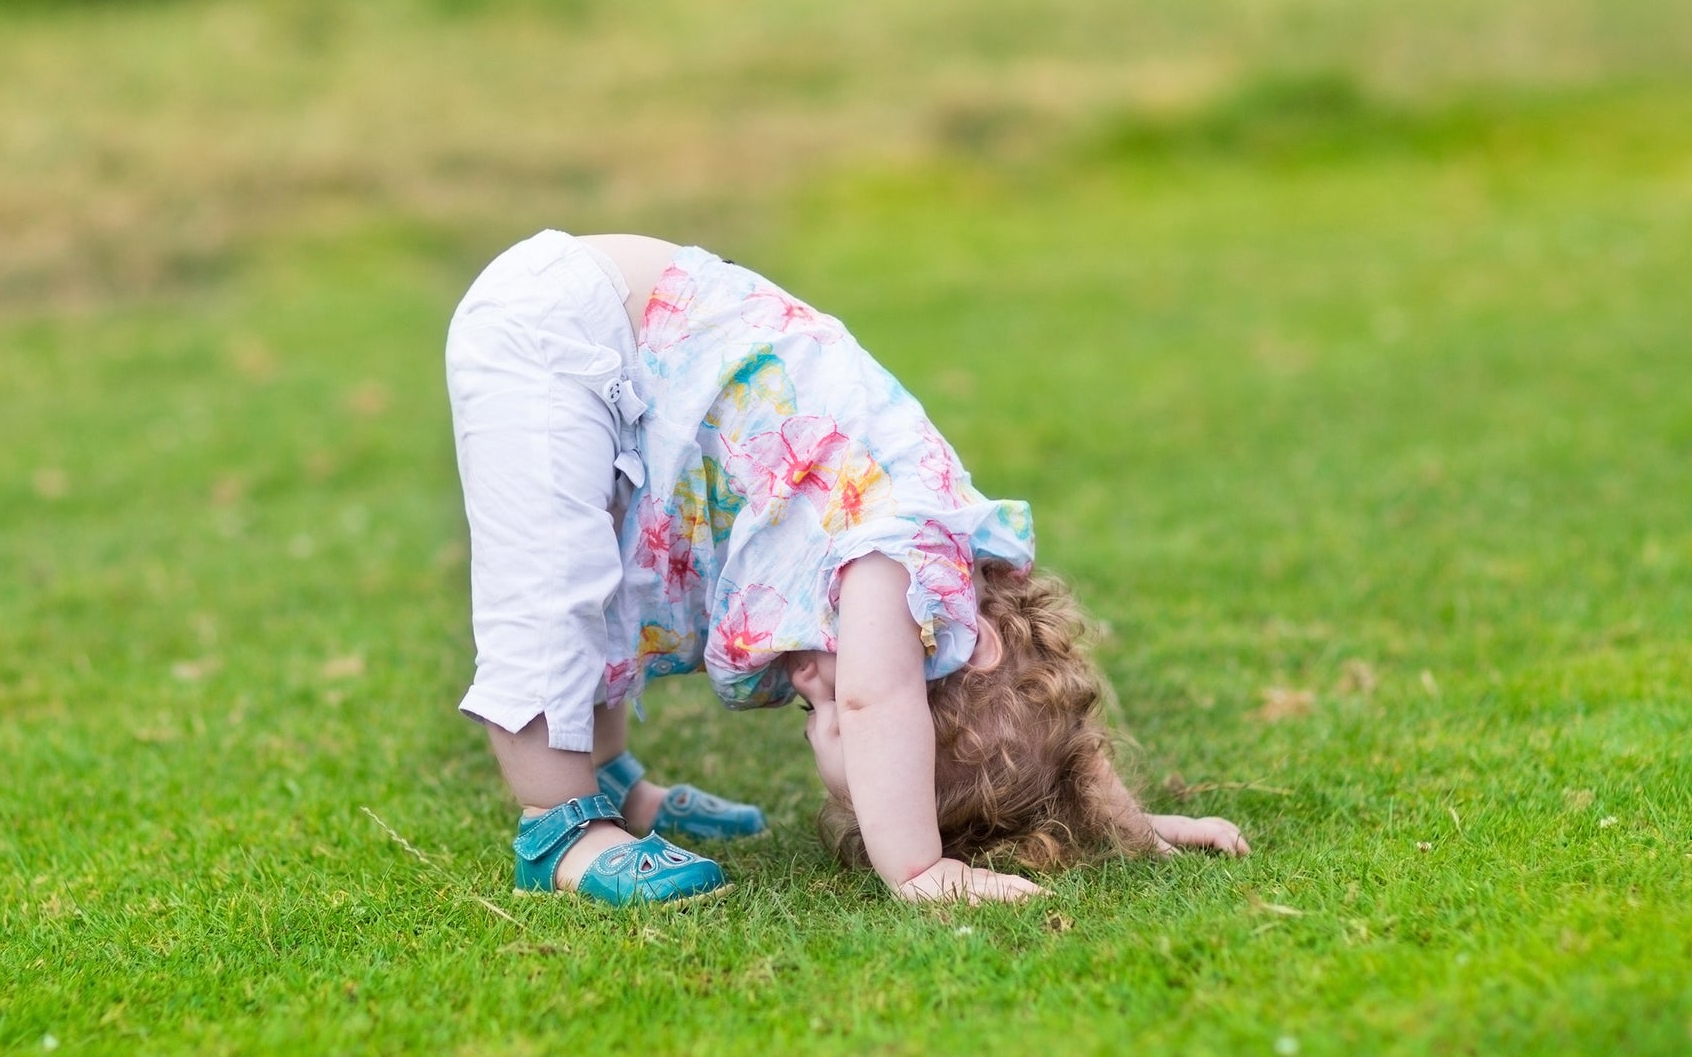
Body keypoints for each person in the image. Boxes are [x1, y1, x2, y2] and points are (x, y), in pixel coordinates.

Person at [445, 228, 1249, 907]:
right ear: (938, 663)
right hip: (563, 328)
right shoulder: (894, 574)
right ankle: (562, 827)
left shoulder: (965, 578)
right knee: (553, 587)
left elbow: (1056, 717)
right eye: (829, 716)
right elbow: (878, 695)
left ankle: (611, 782)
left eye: (812, 715)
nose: (812, 691)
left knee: (612, 572)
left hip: (632, 336)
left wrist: (1129, 826)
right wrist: (918, 866)